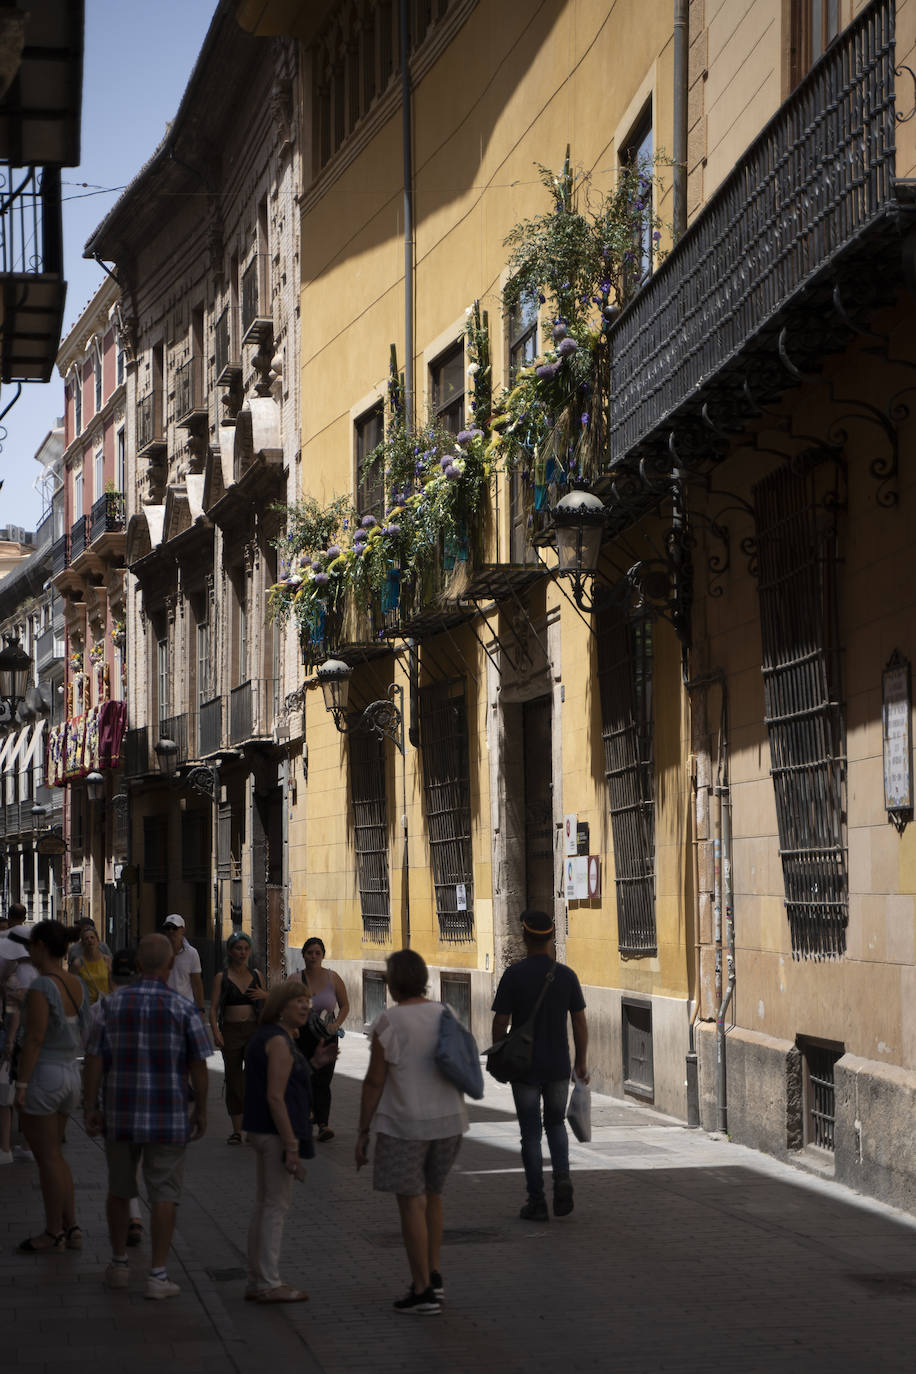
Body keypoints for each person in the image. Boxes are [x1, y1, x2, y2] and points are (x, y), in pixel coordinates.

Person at [83, 932, 211, 1300]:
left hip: (119, 1114)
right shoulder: (182, 1008)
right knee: (165, 1194)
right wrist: (200, 1109)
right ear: (170, 965)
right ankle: (157, 1275)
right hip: (168, 1115)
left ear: (138, 966)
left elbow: (93, 1060)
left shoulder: (110, 1006)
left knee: (120, 1189)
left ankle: (120, 1264)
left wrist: (90, 1106)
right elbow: (198, 1066)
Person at [355, 949, 468, 1315]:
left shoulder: (389, 1022)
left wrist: (362, 1131)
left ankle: (421, 1290)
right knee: (433, 1196)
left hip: (406, 1125)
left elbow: (374, 1081)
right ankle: (433, 1274)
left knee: (411, 1204)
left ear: (392, 982)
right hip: (449, 1122)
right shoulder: (445, 1013)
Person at [491, 909, 589, 1222]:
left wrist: (501, 1051)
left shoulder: (513, 975)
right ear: (550, 937)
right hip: (559, 1065)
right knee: (556, 1124)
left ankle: (536, 1201)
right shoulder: (566, 975)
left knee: (530, 1134)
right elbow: (579, 1021)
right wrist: (581, 1060)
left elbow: (501, 1021)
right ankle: (562, 1179)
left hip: (524, 1068)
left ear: (524, 937)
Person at [242, 981, 335, 1302]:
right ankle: (268, 1282)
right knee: (275, 1207)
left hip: (263, 1130)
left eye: (307, 1001)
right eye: (299, 1001)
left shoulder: (271, 1038)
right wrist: (291, 1146)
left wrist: (314, 1064)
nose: (306, 1006)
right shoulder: (278, 1042)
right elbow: (276, 1097)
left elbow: (286, 1083)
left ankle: (258, 1278)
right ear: (281, 1006)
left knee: (265, 1204)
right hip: (274, 1133)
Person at [13, 920, 89, 1252]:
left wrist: (21, 1084)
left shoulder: (42, 987)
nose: (28, 950)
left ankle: (52, 1230)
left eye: (31, 944)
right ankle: (71, 1226)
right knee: (57, 1157)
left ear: (42, 945)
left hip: (45, 1075)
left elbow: (34, 1038)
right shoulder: (76, 983)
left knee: (47, 1160)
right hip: (71, 1073)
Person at [209, 931, 266, 1143]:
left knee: (253, 1079)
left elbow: (268, 1004)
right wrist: (216, 1032)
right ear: (230, 951)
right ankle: (236, 1130)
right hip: (231, 1033)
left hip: (253, 1031)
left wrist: (266, 995)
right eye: (238, 949)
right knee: (233, 1080)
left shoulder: (257, 975)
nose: (242, 953)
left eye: (246, 949)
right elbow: (213, 1009)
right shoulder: (221, 978)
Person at [297, 936, 349, 1141]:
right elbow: (285, 1002)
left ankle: (323, 1124)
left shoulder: (333, 978)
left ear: (323, 955)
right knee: (305, 1076)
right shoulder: (295, 979)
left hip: (327, 1037)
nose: (313, 956)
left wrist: (337, 1024)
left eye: (317, 953)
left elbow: (345, 1005)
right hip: (302, 1036)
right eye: (310, 952)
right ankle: (307, 1113)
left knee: (323, 1080)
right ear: (303, 955)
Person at [161, 914, 204, 1012]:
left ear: (183, 930)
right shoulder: (159, 952)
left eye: (174, 928)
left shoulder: (192, 953)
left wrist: (201, 1009)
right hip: (163, 1007)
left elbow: (197, 983)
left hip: (185, 1007)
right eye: (168, 928)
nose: (171, 931)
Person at [70, 922, 114, 1004]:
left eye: (92, 937)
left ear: (97, 940)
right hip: (86, 1008)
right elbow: (72, 987)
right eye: (86, 939)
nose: (90, 940)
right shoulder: (78, 964)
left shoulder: (107, 960)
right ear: (82, 943)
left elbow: (112, 985)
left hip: (104, 1006)